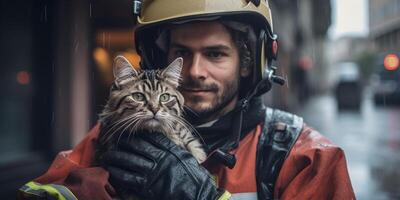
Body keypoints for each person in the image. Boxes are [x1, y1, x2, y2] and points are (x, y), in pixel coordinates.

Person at [18, 0, 355, 199]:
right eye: (182, 53)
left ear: (250, 64)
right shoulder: (106, 139)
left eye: (215, 54)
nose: (194, 71)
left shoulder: (305, 157)